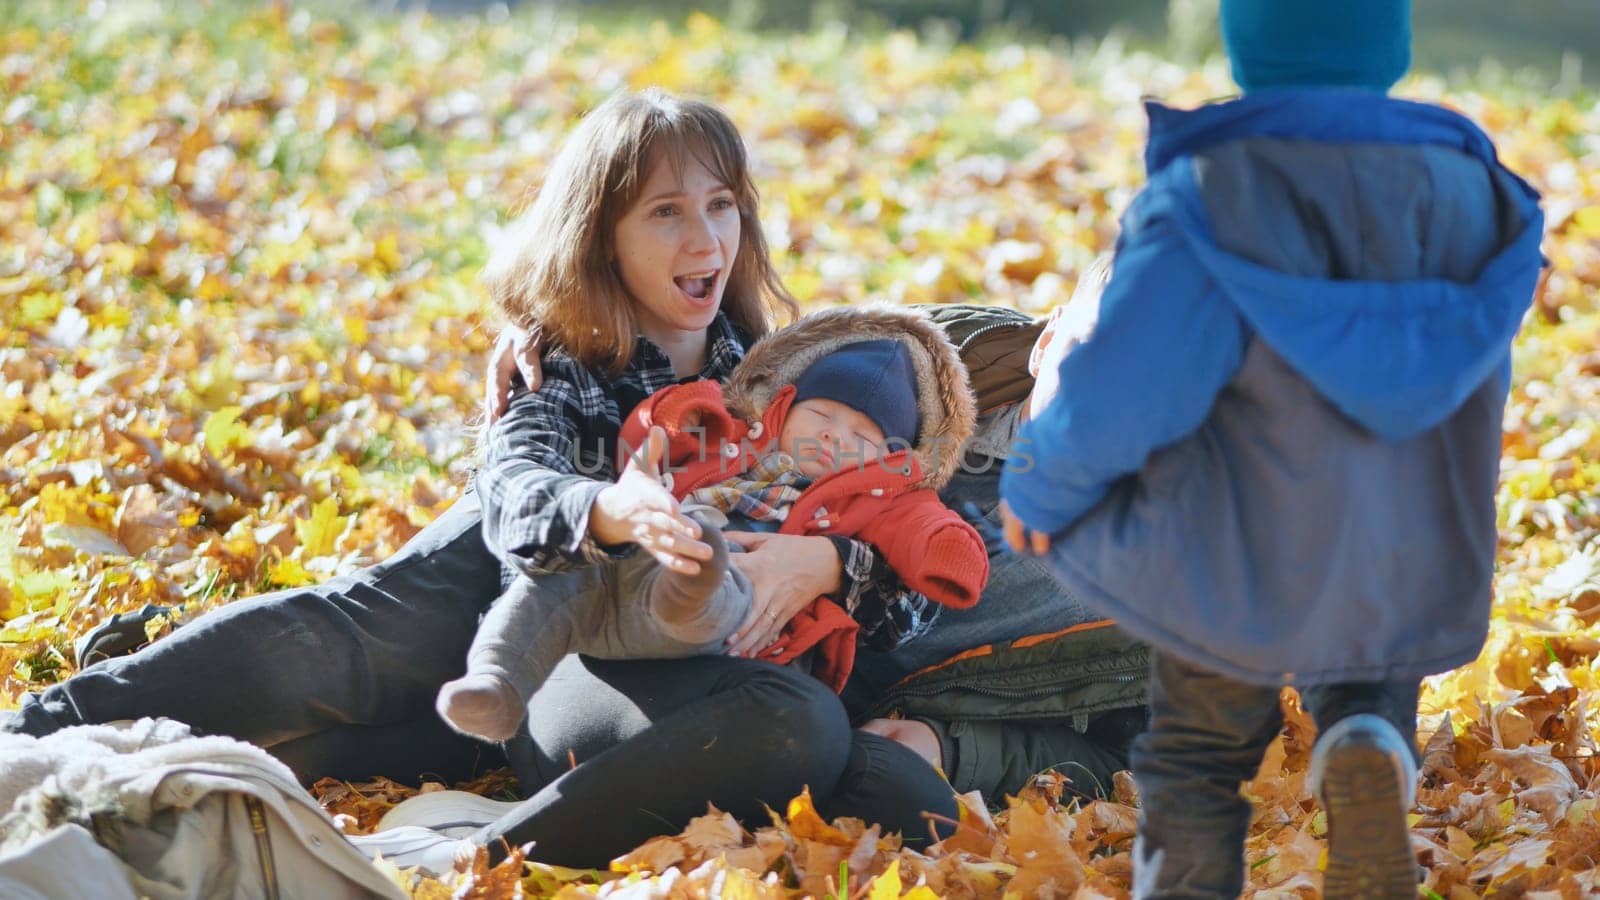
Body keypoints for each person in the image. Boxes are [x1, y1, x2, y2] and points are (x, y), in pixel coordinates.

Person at [5, 88, 1147, 867]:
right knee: (373, 642)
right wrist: (557, 356)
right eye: (1103, 341)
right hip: (575, 543)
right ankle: (58, 720)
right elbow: (774, 370)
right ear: (1060, 328)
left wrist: (855, 594)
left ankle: (463, 844)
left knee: (812, 749)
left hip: (720, 668)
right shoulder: (944, 360)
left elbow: (1110, 744)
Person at [998, 1, 1546, 897]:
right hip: (1406, 536)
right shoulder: (1472, 193)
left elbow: (1126, 382)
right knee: (1369, 673)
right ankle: (1367, 745)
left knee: (1195, 755)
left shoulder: (1215, 193)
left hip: (1231, 542)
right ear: (1393, 43)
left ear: (1244, 41)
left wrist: (1042, 486)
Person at [437, 309, 989, 743]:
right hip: (639, 562)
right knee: (552, 582)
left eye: (862, 437)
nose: (834, 438)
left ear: (891, 456)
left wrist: (947, 554)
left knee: (713, 577)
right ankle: (496, 682)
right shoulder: (732, 440)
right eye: (821, 417)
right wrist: (681, 416)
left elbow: (930, 536)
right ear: (782, 407)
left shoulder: (884, 499)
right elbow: (657, 423)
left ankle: (692, 587)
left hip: (742, 620)